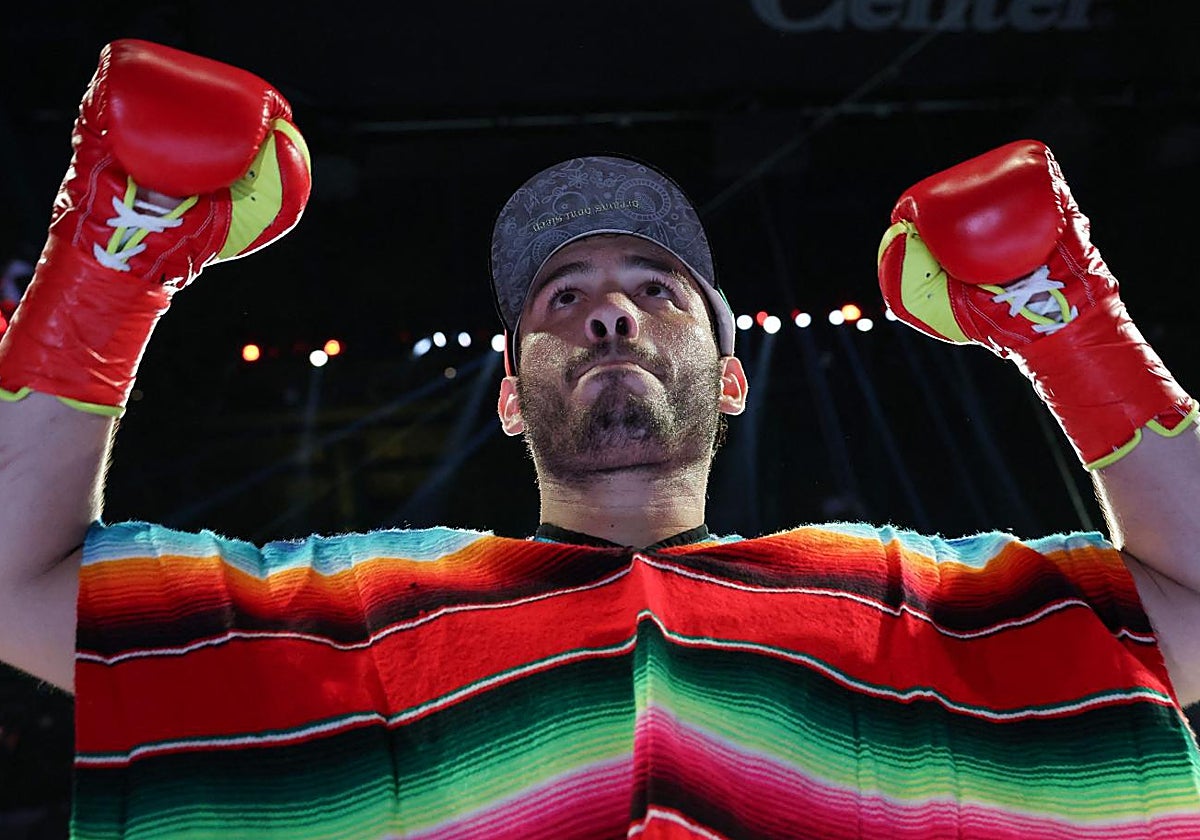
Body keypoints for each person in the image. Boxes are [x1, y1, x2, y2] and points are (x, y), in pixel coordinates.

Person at [0, 37, 1198, 840]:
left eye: (656, 290)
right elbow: (13, 581)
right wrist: (107, 267)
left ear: (731, 383)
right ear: (512, 399)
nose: (609, 310)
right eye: (561, 297)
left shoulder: (902, 599)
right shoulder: (360, 609)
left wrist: (1072, 328)